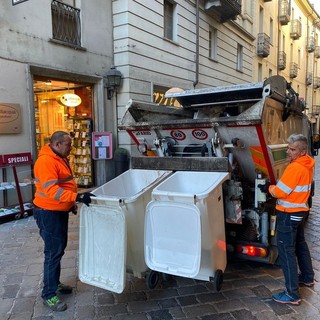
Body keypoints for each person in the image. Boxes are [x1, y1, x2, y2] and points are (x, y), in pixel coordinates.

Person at [33, 131, 94, 311]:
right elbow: (52, 191)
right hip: (48, 212)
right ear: (57, 144)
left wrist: (70, 205)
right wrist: (77, 197)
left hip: (56, 210)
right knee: (53, 252)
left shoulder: (59, 157)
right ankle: (49, 294)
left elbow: (63, 185)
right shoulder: (46, 161)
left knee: (58, 250)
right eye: (68, 144)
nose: (71, 148)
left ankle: (55, 283)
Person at [259, 133, 315, 305]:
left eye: (292, 150)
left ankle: (292, 294)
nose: (288, 152)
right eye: (288, 149)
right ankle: (307, 277)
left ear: (302, 151)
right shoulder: (308, 163)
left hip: (288, 214)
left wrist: (269, 187)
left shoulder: (295, 168)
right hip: (300, 211)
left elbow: (281, 192)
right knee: (300, 245)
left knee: (286, 252)